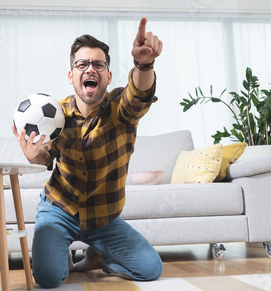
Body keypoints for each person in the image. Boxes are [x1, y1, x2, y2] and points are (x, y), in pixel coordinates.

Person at [12, 17, 163, 288]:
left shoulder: (121, 109)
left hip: (103, 217)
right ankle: (62, 254)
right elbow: (44, 159)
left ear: (108, 75)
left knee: (150, 269)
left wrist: (144, 63)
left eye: (98, 64)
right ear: (71, 76)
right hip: (59, 209)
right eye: (82, 64)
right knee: (48, 279)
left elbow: (139, 94)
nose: (90, 69)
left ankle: (99, 256)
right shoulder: (54, 114)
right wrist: (31, 153)